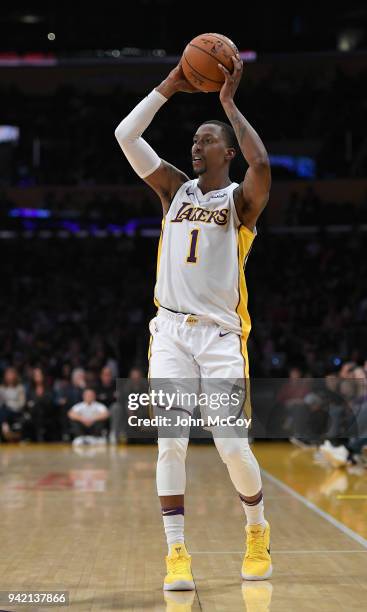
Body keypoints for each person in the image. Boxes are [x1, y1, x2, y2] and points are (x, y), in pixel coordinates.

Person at [115, 54, 272, 589]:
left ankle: (256, 528)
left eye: (207, 140)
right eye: (195, 140)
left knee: (232, 446)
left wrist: (227, 102)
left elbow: (263, 168)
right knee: (170, 442)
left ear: (227, 152)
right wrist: (169, 86)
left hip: (222, 337)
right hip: (170, 334)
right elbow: (126, 135)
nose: (196, 146)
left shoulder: (240, 202)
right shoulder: (174, 190)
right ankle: (176, 551)